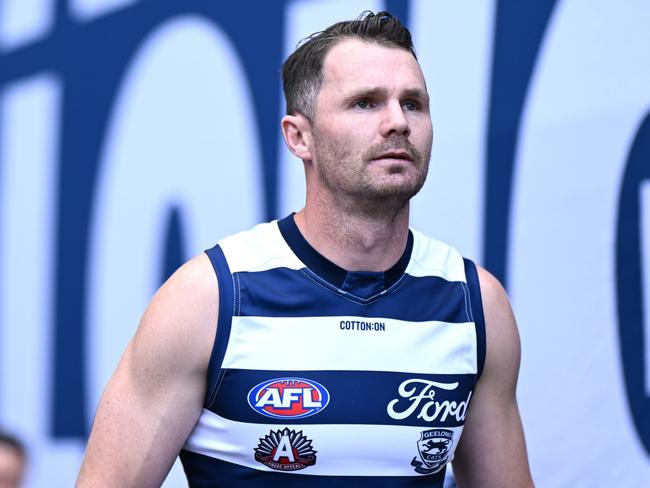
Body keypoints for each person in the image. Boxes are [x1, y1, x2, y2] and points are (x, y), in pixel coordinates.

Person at [77, 11, 534, 487]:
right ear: (299, 137)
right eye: (365, 103)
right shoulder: (209, 298)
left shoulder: (476, 303)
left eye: (413, 103)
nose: (397, 122)